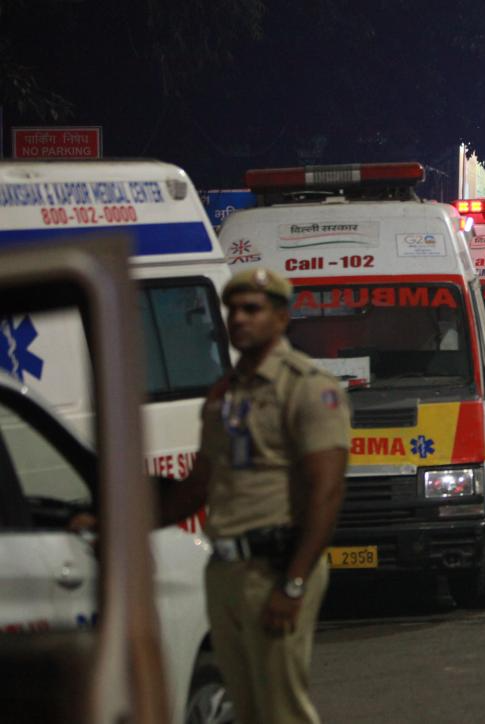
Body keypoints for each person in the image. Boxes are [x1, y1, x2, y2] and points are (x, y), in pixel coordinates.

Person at [158, 268, 350, 724]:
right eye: (233, 310)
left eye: (252, 309)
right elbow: (198, 484)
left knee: (282, 709)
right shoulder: (224, 394)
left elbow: (326, 491)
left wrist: (294, 582)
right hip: (225, 570)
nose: (239, 319)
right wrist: (122, 522)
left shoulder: (307, 386)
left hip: (276, 568)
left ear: (281, 318)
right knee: (244, 711)